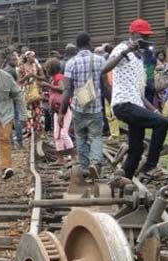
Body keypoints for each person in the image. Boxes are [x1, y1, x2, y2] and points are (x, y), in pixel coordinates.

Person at [102, 19, 168, 179]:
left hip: (134, 104)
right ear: (133, 34)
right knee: (162, 123)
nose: (145, 40)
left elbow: (139, 93)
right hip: (123, 104)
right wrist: (126, 51)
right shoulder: (122, 48)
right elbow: (105, 68)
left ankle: (125, 178)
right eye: (142, 36)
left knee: (136, 148)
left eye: (147, 37)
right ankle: (150, 167)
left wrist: (154, 109)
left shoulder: (140, 59)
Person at [60, 32, 106, 178]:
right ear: (89, 42)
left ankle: (85, 166)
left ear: (77, 45)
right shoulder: (100, 60)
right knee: (96, 136)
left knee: (80, 136)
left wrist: (62, 112)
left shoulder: (71, 63)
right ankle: (95, 163)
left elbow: (67, 90)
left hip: (78, 106)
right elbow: (106, 86)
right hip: (96, 106)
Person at [42, 58, 77, 164]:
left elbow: (62, 89)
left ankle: (74, 157)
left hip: (64, 109)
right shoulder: (53, 79)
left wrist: (48, 86)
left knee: (63, 134)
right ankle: (60, 158)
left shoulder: (59, 77)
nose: (46, 70)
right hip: (57, 110)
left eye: (47, 68)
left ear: (50, 69)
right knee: (56, 134)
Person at [18, 51, 45, 135]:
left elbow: (43, 77)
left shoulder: (36, 66)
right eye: (32, 56)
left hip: (36, 90)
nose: (34, 58)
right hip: (27, 92)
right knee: (29, 111)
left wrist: (34, 76)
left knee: (38, 110)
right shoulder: (22, 67)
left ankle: (38, 129)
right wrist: (26, 77)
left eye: (34, 56)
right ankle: (30, 130)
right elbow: (19, 81)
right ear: (27, 57)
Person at [4, 53, 24, 148]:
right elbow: (16, 85)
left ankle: (11, 142)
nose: (16, 62)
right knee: (17, 119)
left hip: (7, 98)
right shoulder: (11, 71)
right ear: (9, 61)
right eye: (14, 60)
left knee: (8, 120)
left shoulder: (4, 70)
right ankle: (19, 141)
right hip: (13, 97)